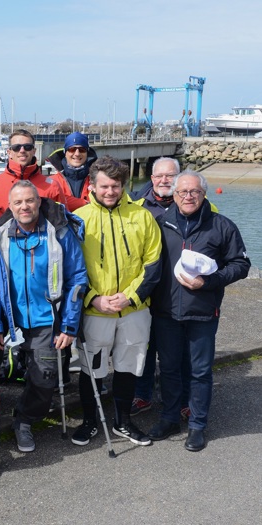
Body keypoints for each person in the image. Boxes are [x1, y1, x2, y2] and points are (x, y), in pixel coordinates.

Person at [147, 171, 250, 451]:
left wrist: (209, 281)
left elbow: (240, 265)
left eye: (194, 192)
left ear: (204, 195)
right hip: (166, 310)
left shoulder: (221, 226)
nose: (188, 196)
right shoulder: (160, 223)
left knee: (200, 371)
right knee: (167, 368)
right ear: (174, 195)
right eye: (183, 192)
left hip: (203, 311)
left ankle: (197, 425)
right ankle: (169, 418)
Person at [0, 181, 88, 452]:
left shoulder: (60, 232)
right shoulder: (1, 233)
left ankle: (24, 420)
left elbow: (77, 279)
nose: (24, 207)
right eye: (17, 202)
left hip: (48, 322)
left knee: (44, 378)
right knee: (6, 374)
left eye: (29, 201)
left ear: (39, 202)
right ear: (10, 205)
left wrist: (69, 325)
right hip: (13, 321)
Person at [71, 156, 162, 447]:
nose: (110, 191)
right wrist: (93, 299)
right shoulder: (79, 219)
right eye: (105, 186)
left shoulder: (142, 216)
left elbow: (153, 262)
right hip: (96, 310)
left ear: (124, 186)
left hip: (134, 310)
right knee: (92, 369)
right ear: (93, 186)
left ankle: (123, 421)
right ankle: (90, 421)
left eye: (116, 186)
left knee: (128, 366)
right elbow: (71, 268)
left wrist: (131, 296)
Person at [130, 157, 191, 417]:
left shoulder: (195, 204)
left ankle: (184, 399)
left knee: (179, 351)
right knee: (144, 346)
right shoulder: (136, 206)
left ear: (179, 177)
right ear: (151, 179)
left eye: (170, 175)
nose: (164, 180)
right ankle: (142, 395)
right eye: (159, 176)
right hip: (145, 289)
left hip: (178, 291)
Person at [0, 129, 64, 217]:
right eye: (16, 147)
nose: (22, 150)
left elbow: (61, 220)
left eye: (27, 147)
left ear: (34, 151)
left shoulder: (52, 186)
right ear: (9, 152)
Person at [45, 131, 97, 211]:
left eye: (82, 149)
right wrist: (83, 203)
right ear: (65, 153)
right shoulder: (51, 181)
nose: (77, 153)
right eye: (72, 149)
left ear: (87, 153)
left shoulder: (98, 179)